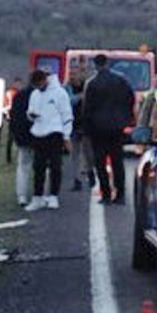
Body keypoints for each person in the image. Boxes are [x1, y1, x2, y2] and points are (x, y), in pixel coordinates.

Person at [82, 53, 135, 205]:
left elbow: (87, 108)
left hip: (98, 129)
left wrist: (86, 128)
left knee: (100, 163)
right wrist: (126, 118)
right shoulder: (121, 80)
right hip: (117, 127)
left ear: (95, 65)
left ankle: (105, 194)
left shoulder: (92, 84)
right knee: (117, 161)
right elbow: (130, 99)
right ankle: (120, 194)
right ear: (107, 63)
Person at [24, 69, 73, 211]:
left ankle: (53, 196)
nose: (38, 88)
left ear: (45, 80)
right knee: (38, 166)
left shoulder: (60, 93)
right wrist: (31, 115)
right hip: (39, 132)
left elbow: (67, 115)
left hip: (54, 133)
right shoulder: (35, 94)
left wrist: (66, 136)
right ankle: (37, 197)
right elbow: (30, 111)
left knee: (55, 165)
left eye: (39, 84)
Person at [7, 76, 34, 207]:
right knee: (41, 167)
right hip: (40, 136)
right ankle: (39, 193)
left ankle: (21, 195)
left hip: (23, 136)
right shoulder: (42, 96)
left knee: (23, 166)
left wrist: (16, 135)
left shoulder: (19, 96)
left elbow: (13, 117)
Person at [65, 69, 94, 191]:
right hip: (73, 124)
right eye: (70, 74)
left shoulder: (88, 86)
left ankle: (90, 173)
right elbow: (68, 101)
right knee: (74, 154)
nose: (72, 77)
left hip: (86, 124)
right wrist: (80, 96)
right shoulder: (66, 88)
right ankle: (76, 179)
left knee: (89, 153)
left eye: (74, 74)